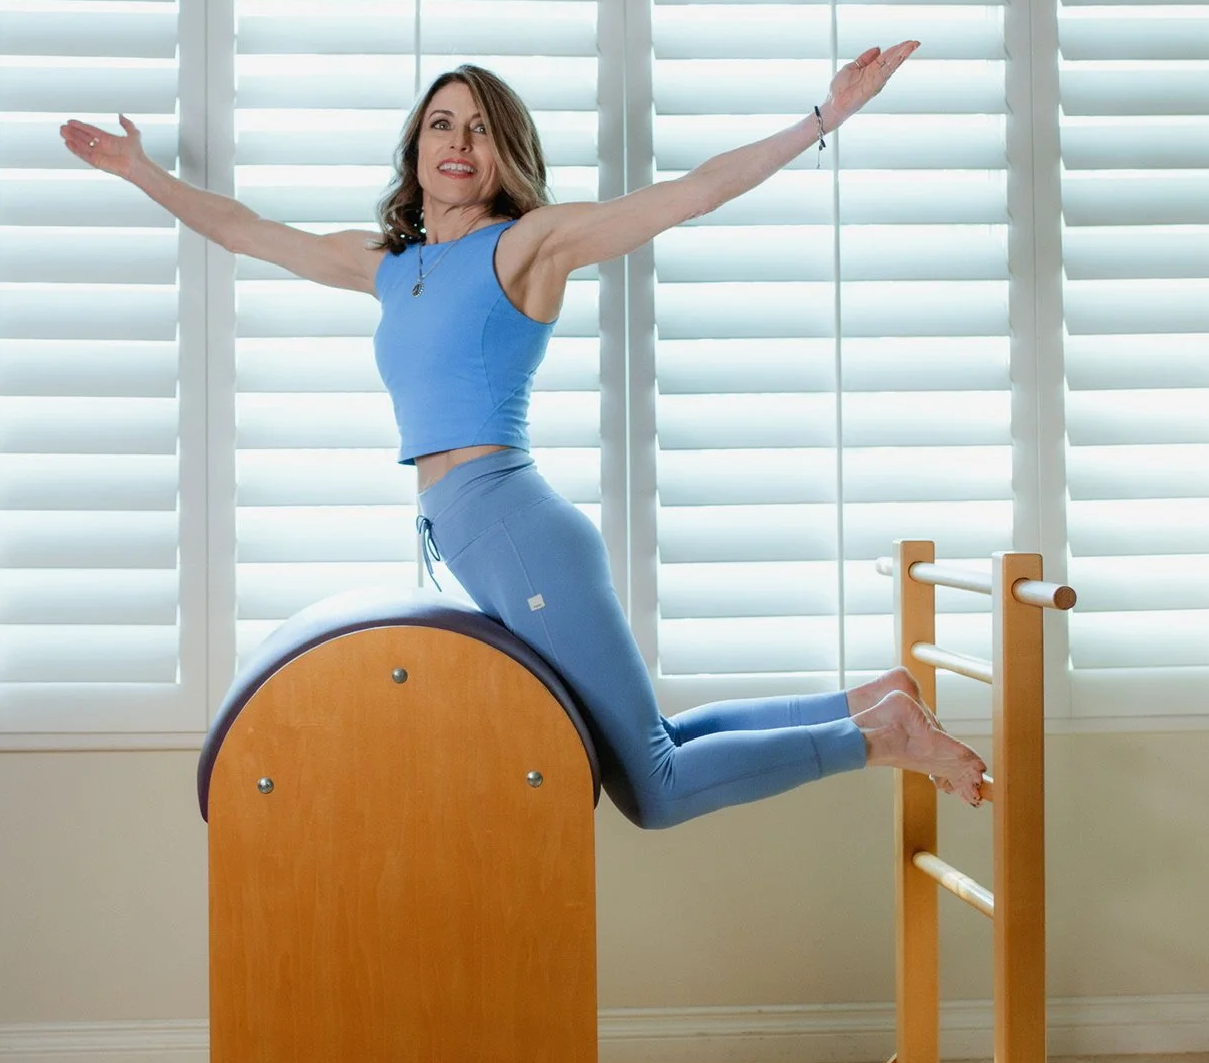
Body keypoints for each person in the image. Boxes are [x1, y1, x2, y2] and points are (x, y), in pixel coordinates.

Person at [61, 52, 986, 825]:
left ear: (507, 155)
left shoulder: (528, 245)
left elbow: (691, 193)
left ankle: (878, 737)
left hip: (512, 523)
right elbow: (247, 231)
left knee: (653, 789)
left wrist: (822, 115)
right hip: (484, 532)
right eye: (441, 124)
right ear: (415, 149)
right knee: (651, 744)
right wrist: (139, 170)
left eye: (480, 128)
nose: (458, 143)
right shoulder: (390, 266)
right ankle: (872, 703)